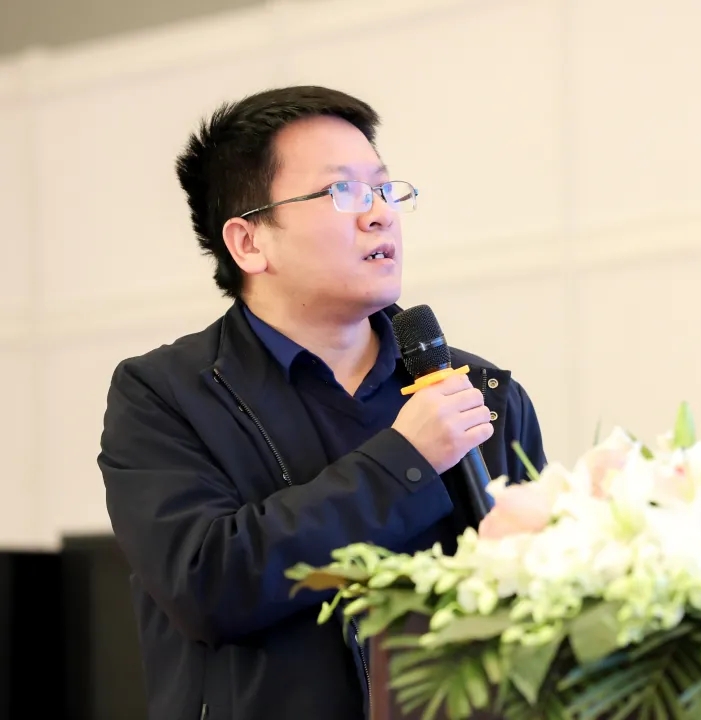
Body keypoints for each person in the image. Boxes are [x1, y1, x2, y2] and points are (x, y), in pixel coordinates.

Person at [97, 85, 546, 720]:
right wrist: (406, 460)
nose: (380, 214)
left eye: (384, 190)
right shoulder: (166, 395)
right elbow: (208, 585)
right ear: (249, 242)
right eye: (344, 193)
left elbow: (540, 603)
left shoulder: (479, 394)